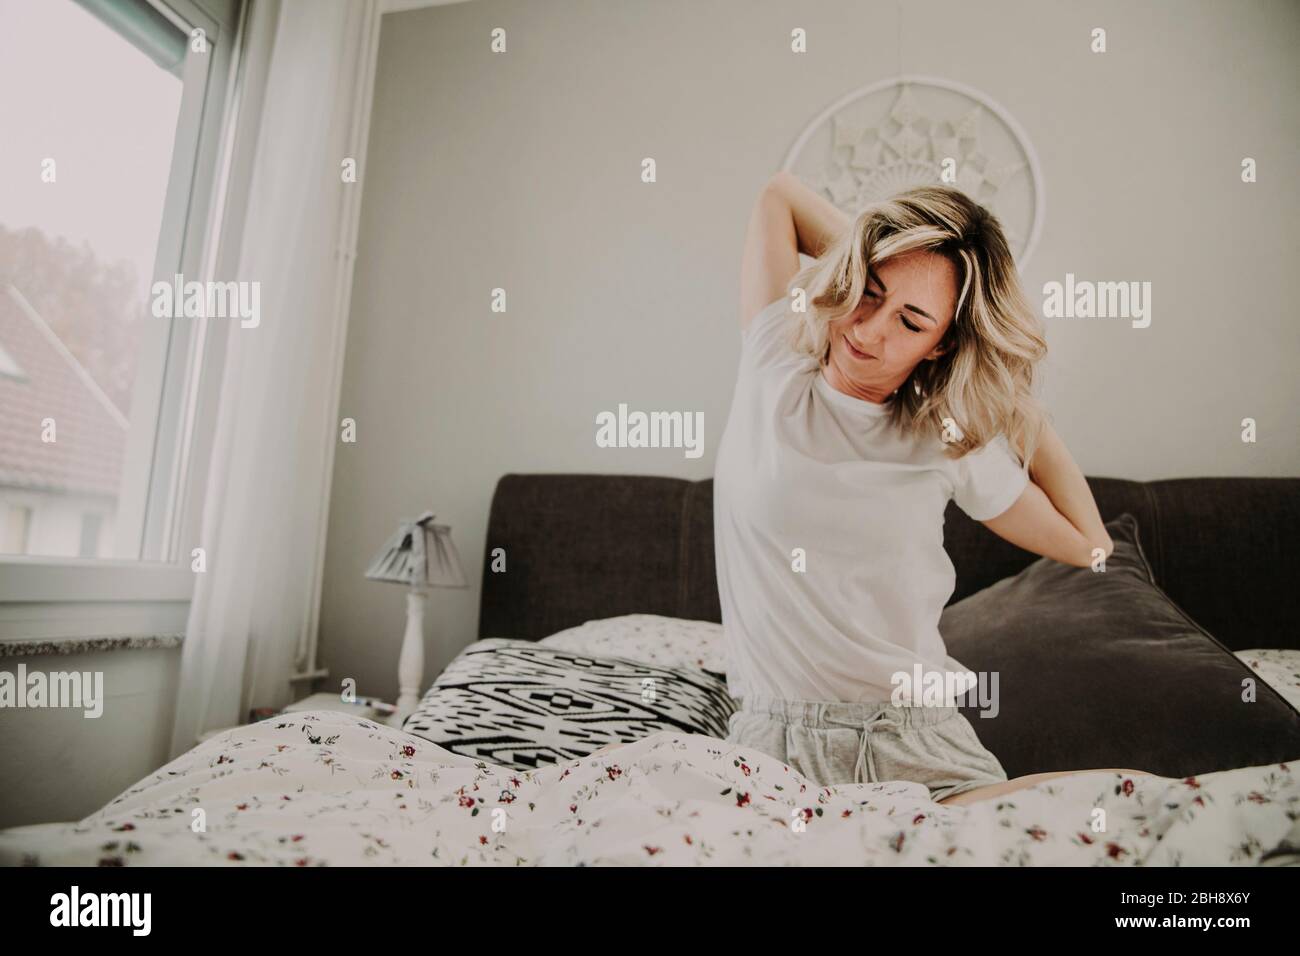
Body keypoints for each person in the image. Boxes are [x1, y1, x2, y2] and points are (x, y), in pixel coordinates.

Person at [715, 171, 1150, 805]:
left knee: (1132, 816)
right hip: (774, 752)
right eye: (869, 291)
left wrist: (1016, 402)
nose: (868, 329)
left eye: (910, 320)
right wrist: (894, 252)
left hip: (918, 746)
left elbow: (1091, 547)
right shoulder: (774, 358)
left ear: (941, 343)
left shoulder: (946, 439)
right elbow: (777, 196)